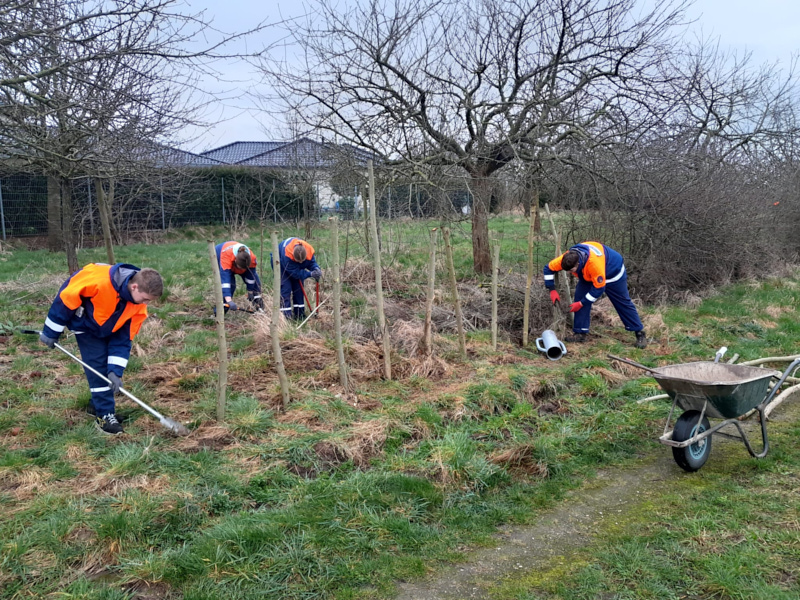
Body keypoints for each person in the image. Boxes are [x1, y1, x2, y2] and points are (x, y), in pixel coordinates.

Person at [39, 264, 163, 434]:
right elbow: (66, 299)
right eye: (145, 299)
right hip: (86, 326)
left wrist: (116, 371)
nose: (146, 304)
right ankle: (104, 415)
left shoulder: (137, 307)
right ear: (134, 286)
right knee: (97, 368)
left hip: (110, 328)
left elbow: (124, 339)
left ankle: (97, 404)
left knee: (108, 371)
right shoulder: (99, 280)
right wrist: (51, 331)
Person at [544, 242, 647, 349]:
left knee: (622, 302)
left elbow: (599, 288)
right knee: (579, 297)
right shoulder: (568, 258)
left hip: (613, 272)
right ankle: (580, 333)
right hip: (588, 274)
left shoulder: (594, 264)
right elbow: (548, 268)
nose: (569, 273)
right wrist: (552, 289)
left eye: (571, 270)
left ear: (578, 264)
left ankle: (639, 332)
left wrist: (582, 303)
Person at [277, 237, 321, 319]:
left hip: (292, 264)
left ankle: (299, 315)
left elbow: (311, 263)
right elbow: (295, 273)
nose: (300, 263)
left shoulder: (309, 251)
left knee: (298, 288)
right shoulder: (287, 256)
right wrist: (310, 274)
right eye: (298, 261)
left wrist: (316, 269)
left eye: (302, 261)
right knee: (286, 287)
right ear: (293, 256)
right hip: (280, 262)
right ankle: (286, 317)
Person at [215, 241, 263, 311]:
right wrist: (229, 301)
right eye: (241, 268)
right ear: (235, 262)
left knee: (256, 283)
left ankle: (259, 307)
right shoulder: (226, 256)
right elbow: (225, 281)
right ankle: (220, 313)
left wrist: (250, 292)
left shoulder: (252, 258)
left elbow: (251, 277)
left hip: (239, 262)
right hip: (220, 254)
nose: (242, 271)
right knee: (231, 286)